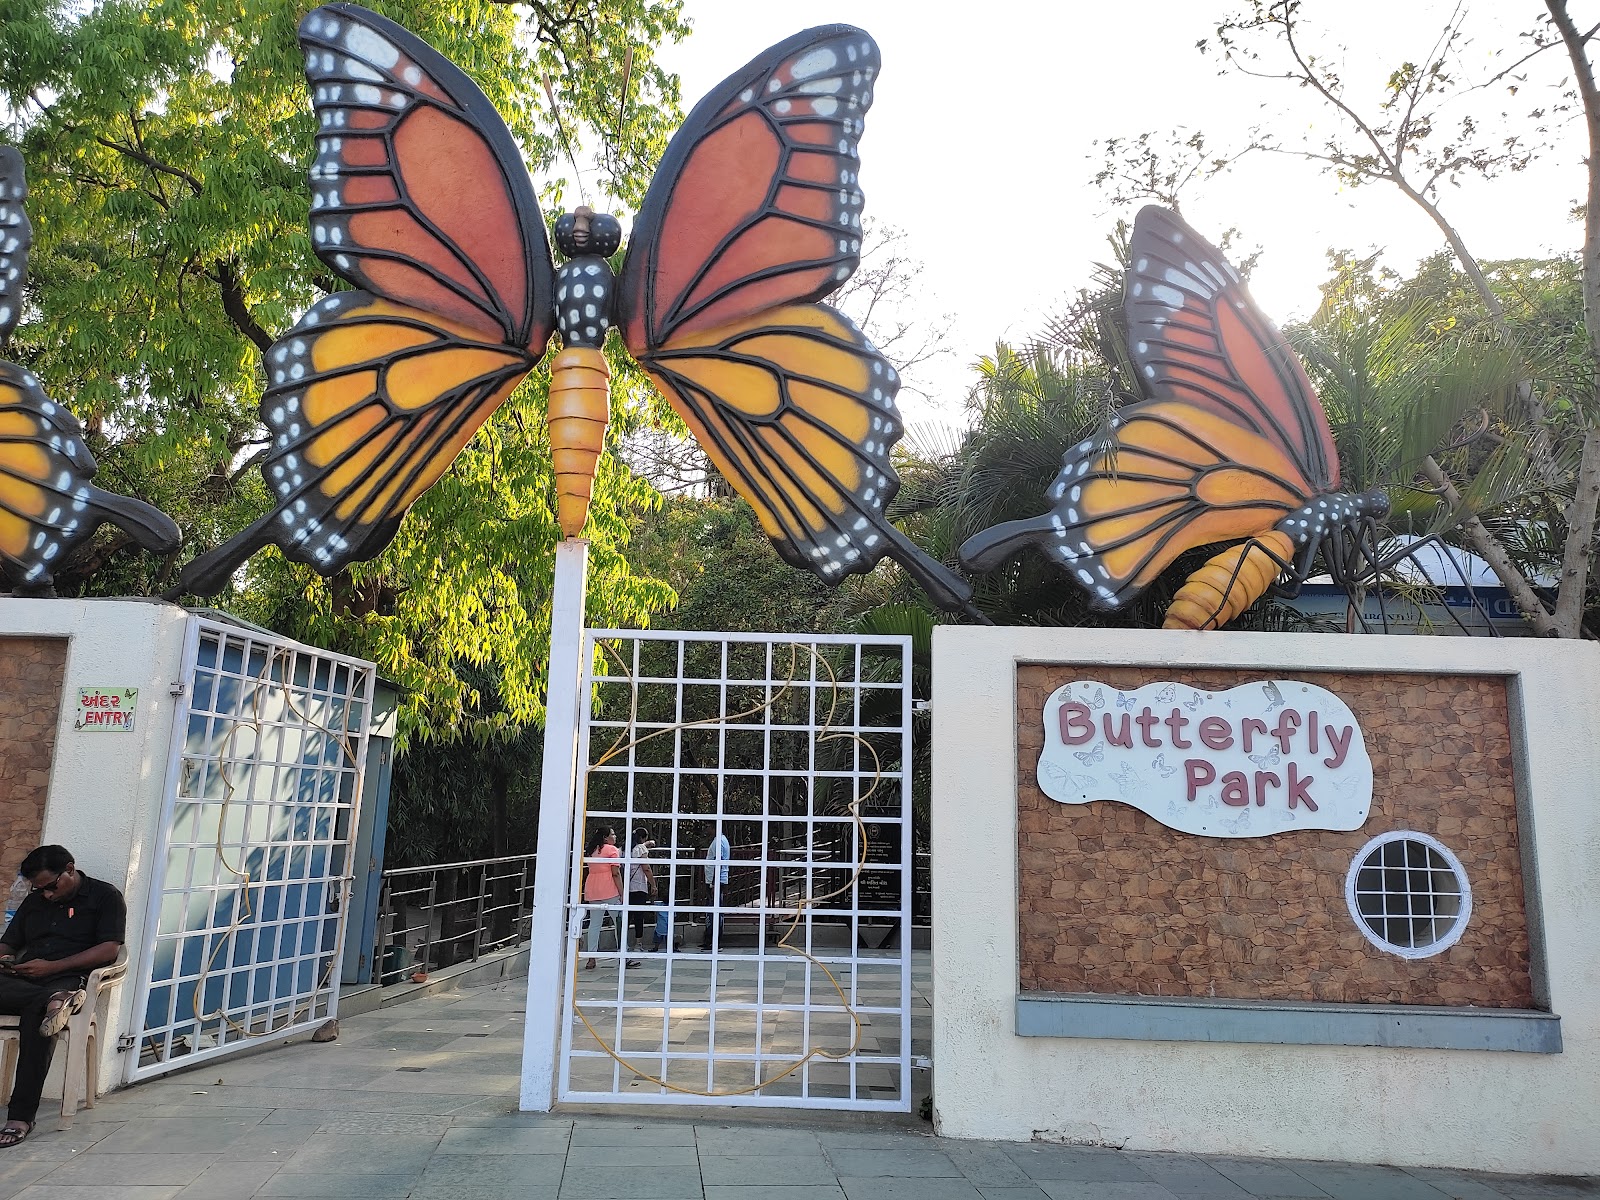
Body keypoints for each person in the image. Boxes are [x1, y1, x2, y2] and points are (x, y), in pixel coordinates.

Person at [0, 846, 125, 1148]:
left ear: (69, 869)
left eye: (50, 886)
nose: (46, 895)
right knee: (41, 1003)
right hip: (27, 978)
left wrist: (53, 967)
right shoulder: (34, 902)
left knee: (39, 1018)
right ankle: (56, 1001)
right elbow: (9, 943)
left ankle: (20, 1117)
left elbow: (110, 949)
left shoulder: (105, 897)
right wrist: (4, 959)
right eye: (38, 889)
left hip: (69, 974)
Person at [581, 828, 636, 970]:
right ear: (606, 837)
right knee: (619, 923)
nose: (615, 836)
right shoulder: (612, 850)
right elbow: (615, 873)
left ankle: (591, 958)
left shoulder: (592, 850)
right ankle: (624, 955)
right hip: (610, 890)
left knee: (594, 925)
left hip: (593, 889)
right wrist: (622, 893)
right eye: (612, 834)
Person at [699, 828, 730, 952]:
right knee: (711, 912)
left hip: (716, 881)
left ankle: (714, 941)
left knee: (715, 913)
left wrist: (713, 883)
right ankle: (708, 940)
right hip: (714, 880)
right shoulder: (719, 840)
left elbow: (719, 862)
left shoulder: (719, 842)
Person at [626, 828, 656, 953]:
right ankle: (638, 944)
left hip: (625, 887)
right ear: (643, 838)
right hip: (639, 886)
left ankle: (623, 943)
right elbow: (646, 868)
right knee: (639, 916)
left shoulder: (625, 848)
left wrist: (646, 843)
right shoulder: (641, 849)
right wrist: (653, 884)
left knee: (626, 916)